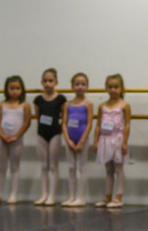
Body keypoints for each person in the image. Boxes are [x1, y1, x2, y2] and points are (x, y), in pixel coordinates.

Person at [0, 75, 31, 204]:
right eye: (12, 88)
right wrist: (2, 135)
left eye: (18, 88)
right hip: (2, 140)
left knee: (15, 167)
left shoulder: (24, 105)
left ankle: (13, 195)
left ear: (22, 90)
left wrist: (17, 136)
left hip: (16, 141)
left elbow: (27, 122)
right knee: (2, 168)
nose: (14, 91)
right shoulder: (1, 105)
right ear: (6, 89)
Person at [93, 74, 132, 209]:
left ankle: (118, 196)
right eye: (110, 87)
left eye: (116, 87)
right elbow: (98, 125)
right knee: (108, 169)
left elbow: (127, 125)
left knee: (118, 168)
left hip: (118, 138)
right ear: (105, 88)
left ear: (121, 88)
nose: (113, 90)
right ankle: (108, 196)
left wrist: (125, 142)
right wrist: (96, 141)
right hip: (105, 138)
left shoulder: (124, 105)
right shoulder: (102, 106)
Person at [32, 68, 67, 205]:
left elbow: (64, 116)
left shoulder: (61, 98)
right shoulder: (38, 99)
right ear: (41, 82)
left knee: (53, 165)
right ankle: (44, 194)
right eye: (45, 81)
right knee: (43, 165)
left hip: (55, 133)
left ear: (56, 82)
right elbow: (37, 116)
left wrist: (62, 129)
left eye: (50, 81)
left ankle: (52, 195)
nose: (47, 83)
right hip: (41, 133)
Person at [61, 72, 94, 208]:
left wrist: (81, 141)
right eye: (77, 84)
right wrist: (68, 140)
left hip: (82, 139)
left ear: (87, 86)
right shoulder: (67, 104)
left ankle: (80, 197)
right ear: (72, 86)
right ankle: (71, 196)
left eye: (83, 84)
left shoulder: (88, 103)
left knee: (82, 167)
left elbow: (89, 123)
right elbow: (64, 123)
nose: (80, 87)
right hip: (70, 139)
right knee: (71, 167)